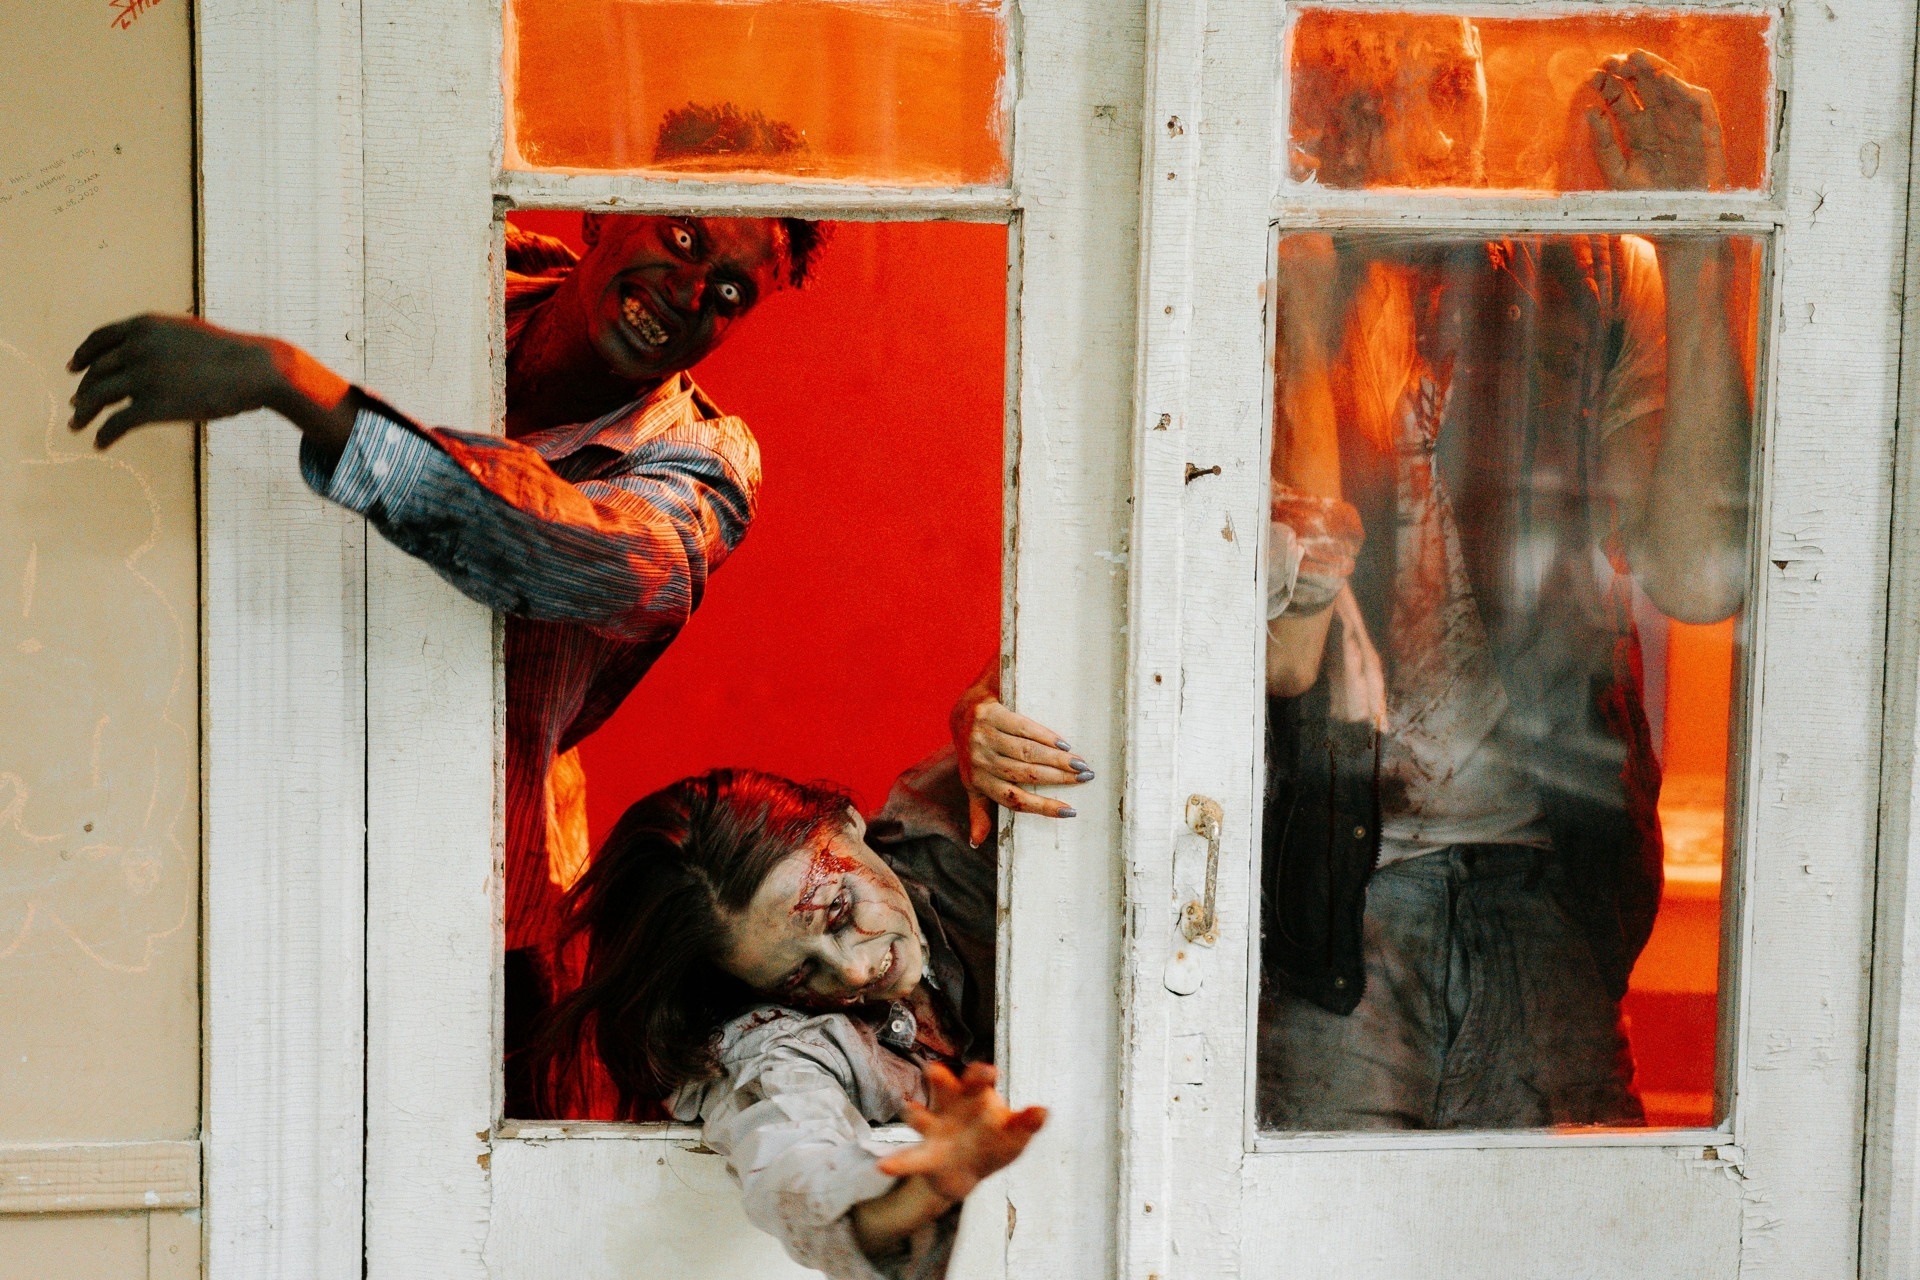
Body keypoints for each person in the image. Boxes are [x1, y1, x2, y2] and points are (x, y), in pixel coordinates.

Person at [65, 101, 1092, 1114]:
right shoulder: (461, 259)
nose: (688, 292)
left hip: (470, 895)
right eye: (682, 236)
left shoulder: (703, 462)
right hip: (214, 780)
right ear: (604, 206)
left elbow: (580, 558)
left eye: (730, 289)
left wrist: (293, 389)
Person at [1260, 22, 1752, 1129]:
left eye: (1454, 84)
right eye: (1372, 92)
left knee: (1569, 1234)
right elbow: (1239, 624)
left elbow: (1702, 566)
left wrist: (1699, 242)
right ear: (1321, 111)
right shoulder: (1272, 279)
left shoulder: (1583, 269)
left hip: (1548, 884)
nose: (1439, 132)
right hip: (1324, 891)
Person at [540, 748, 1041, 1280]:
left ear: (847, 820)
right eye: (798, 975)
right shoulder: (771, 1041)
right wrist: (928, 1185)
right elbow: (794, 1168)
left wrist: (986, 697)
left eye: (839, 912)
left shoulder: (960, 814)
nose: (850, 972)